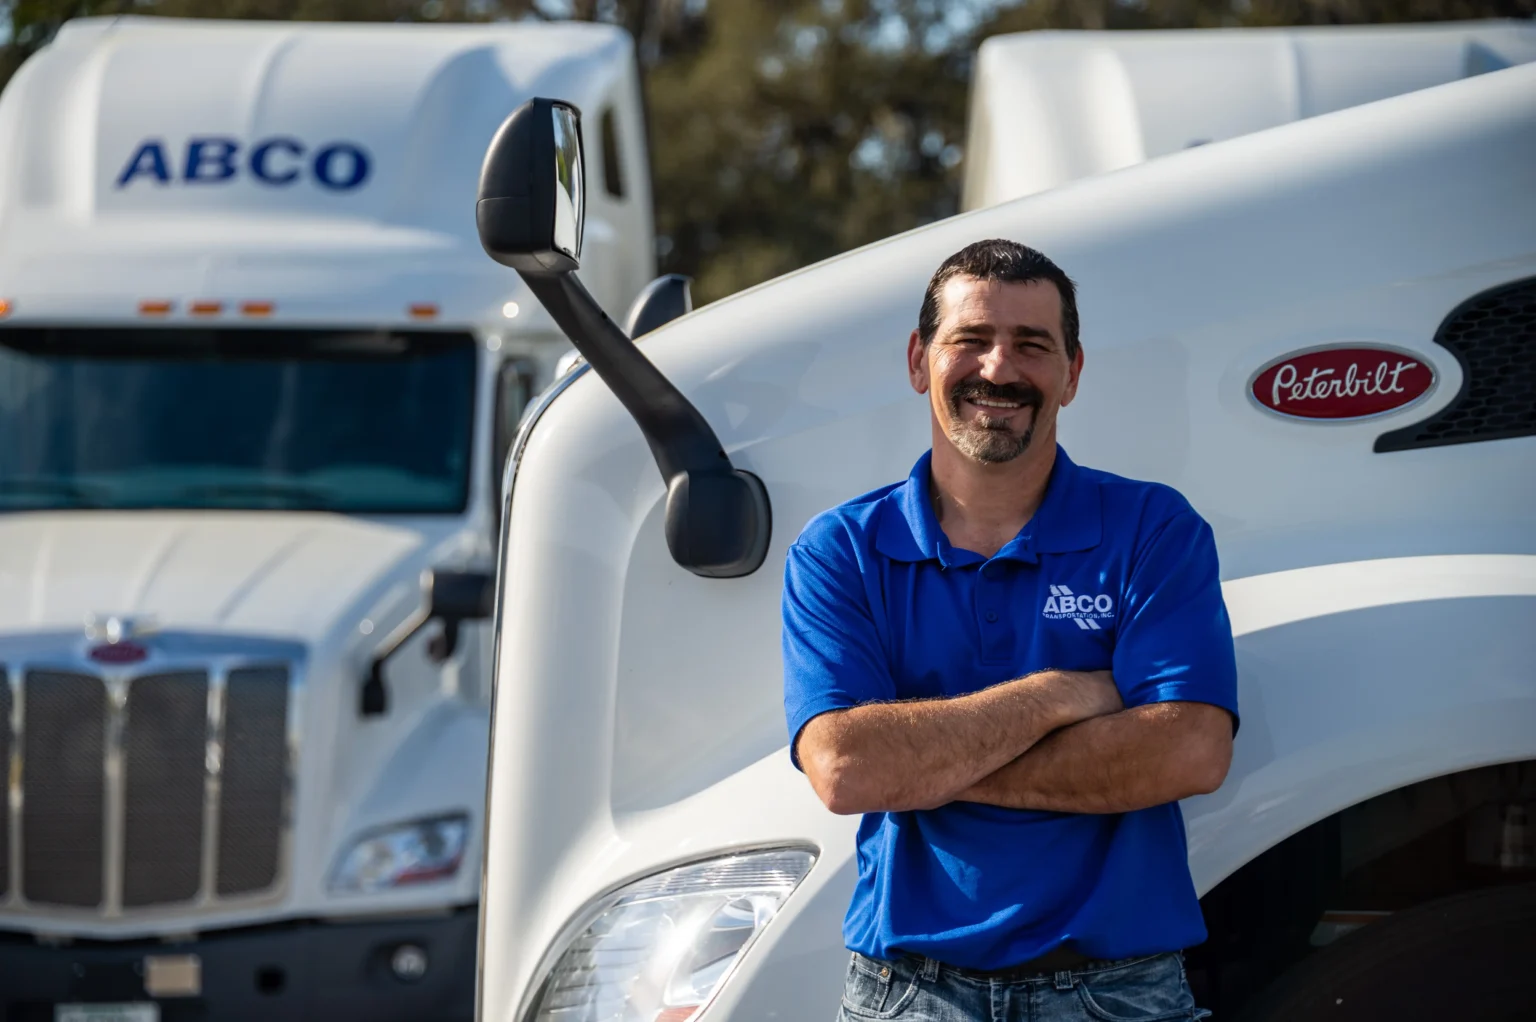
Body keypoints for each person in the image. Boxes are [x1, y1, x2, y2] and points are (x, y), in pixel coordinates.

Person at [781, 239, 1239, 1022]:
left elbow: (1190, 750)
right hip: (908, 994)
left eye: (1032, 344)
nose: (999, 369)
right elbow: (847, 770)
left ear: (1073, 372)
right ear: (920, 360)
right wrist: (1057, 695)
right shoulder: (841, 549)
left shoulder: (1152, 530)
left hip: (1117, 993)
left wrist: (924, 767)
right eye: (971, 340)